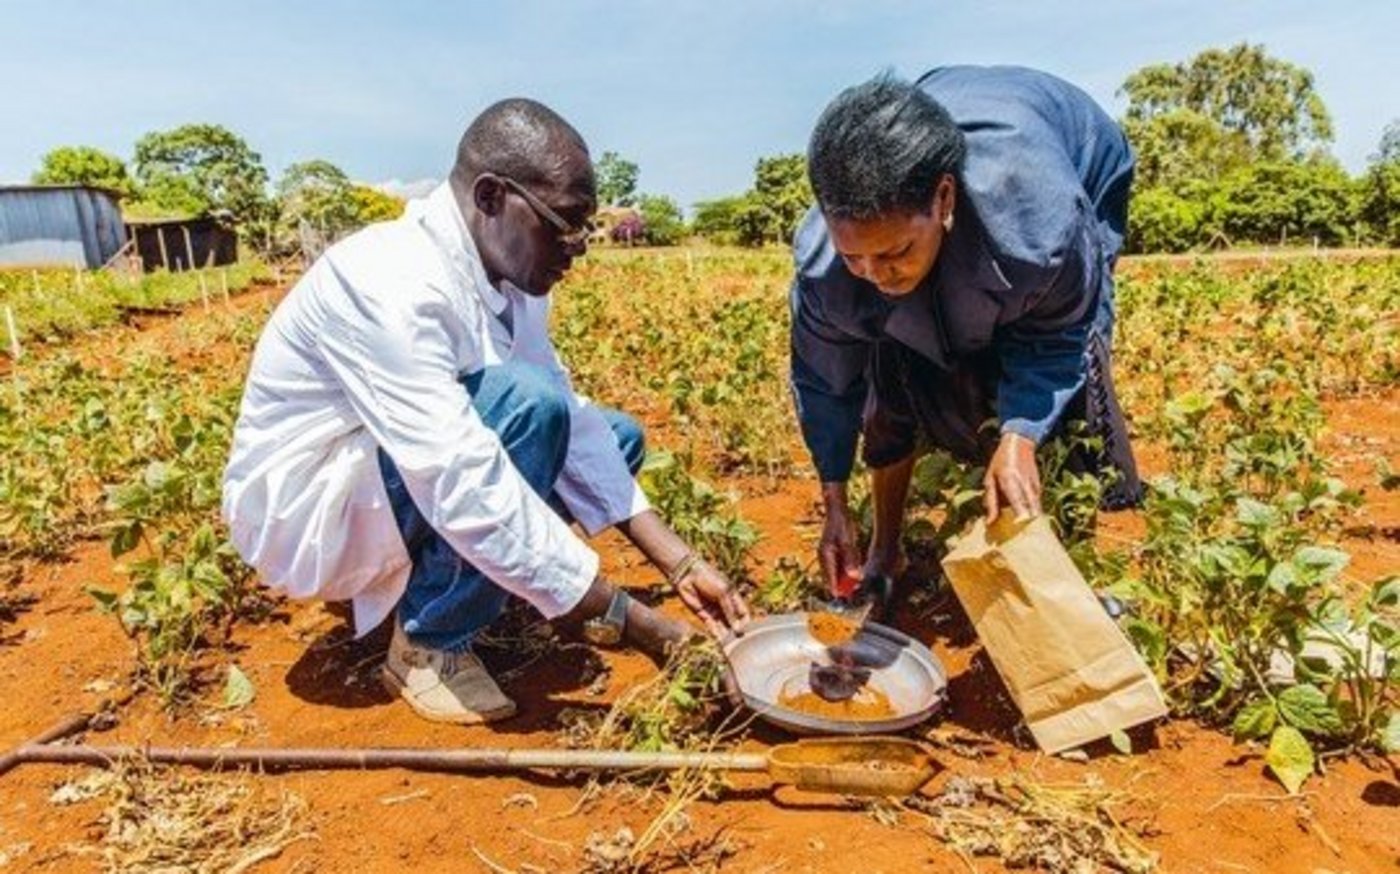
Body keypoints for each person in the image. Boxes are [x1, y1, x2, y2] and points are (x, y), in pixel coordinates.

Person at [223, 98, 750, 726]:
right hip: (315, 509)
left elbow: (577, 430)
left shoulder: (508, 276)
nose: (578, 246)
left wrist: (681, 562)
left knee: (613, 435)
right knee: (530, 409)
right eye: (566, 222)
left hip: (401, 475)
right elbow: (460, 475)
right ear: (493, 196)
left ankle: (489, 582)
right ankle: (429, 642)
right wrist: (641, 625)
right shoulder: (391, 280)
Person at [790, 66, 1143, 599]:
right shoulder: (826, 267)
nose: (877, 273)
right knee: (893, 359)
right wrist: (836, 501)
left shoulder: (1040, 226)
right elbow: (825, 382)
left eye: (895, 252)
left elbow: (1060, 332)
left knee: (1067, 391)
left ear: (945, 199)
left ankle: (1068, 563)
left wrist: (1021, 434)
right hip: (954, 120)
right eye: (854, 256)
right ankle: (888, 548)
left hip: (1078, 153)